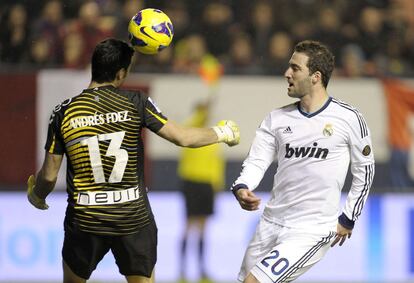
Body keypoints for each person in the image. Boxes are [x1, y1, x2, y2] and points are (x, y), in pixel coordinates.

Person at [26, 38, 240, 283]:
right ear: (121, 73)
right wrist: (222, 132)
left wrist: (38, 195)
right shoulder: (135, 102)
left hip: (85, 220)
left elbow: (50, 175)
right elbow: (182, 137)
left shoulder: (64, 111)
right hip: (133, 221)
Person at [231, 40, 375, 283]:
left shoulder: (349, 118)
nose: (287, 73)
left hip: (310, 229)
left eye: (295, 68)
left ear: (315, 76)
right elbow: (257, 160)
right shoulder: (276, 119)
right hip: (270, 223)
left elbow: (365, 170)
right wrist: (242, 187)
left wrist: (349, 216)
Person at [177, 100, 224, 283]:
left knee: (204, 230)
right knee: (188, 227)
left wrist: (217, 187)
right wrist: (201, 110)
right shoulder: (189, 130)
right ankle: (182, 271)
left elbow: (216, 164)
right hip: (191, 182)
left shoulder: (212, 137)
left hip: (207, 186)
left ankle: (202, 271)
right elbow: (197, 119)